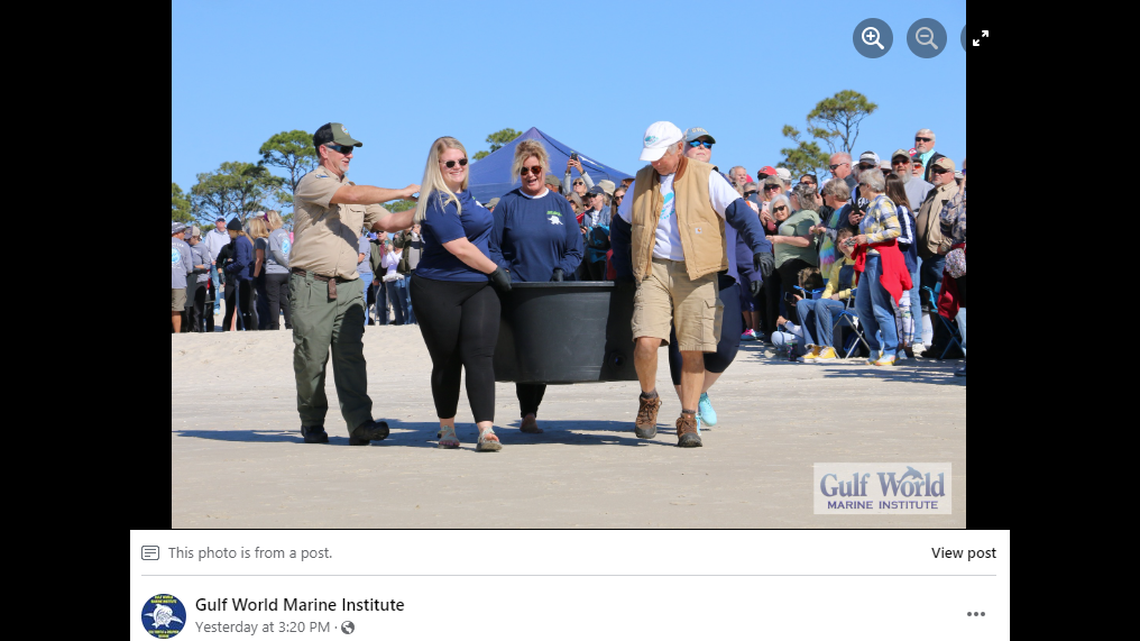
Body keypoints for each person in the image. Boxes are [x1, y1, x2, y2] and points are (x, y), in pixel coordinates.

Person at [618, 121, 769, 448]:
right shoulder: (641, 181)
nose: (656, 161)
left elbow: (742, 215)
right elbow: (620, 225)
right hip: (654, 269)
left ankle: (688, 417)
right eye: (651, 156)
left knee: (692, 349)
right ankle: (649, 399)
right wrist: (623, 271)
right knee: (645, 342)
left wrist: (760, 247)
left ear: (678, 148)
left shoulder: (707, 177)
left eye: (661, 154)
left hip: (697, 271)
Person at [289, 122, 420, 445]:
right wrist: (403, 191)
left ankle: (360, 423)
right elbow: (350, 196)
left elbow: (390, 221)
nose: (349, 154)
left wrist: (426, 206)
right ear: (324, 151)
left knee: (351, 357)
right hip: (311, 285)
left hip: (349, 286)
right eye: (343, 148)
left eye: (351, 149)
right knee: (311, 360)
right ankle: (312, 422)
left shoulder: (357, 190)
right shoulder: (313, 181)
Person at [663, 126, 771, 430]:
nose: (702, 147)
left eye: (707, 144)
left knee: (727, 345)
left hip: (723, 275)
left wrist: (751, 270)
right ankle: (688, 412)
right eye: (695, 143)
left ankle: (699, 392)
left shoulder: (720, 182)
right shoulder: (666, 183)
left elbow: (740, 231)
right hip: (680, 275)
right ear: (681, 148)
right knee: (683, 344)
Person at [411, 136, 511, 452]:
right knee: (447, 360)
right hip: (437, 288)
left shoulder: (468, 197)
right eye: (450, 163)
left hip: (478, 287)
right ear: (437, 166)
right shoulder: (437, 200)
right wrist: (495, 270)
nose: (458, 167)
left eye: (462, 161)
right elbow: (458, 247)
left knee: (480, 356)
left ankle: (486, 430)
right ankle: (447, 427)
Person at [490, 139, 584, 435]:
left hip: (551, 290)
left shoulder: (559, 204)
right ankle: (527, 412)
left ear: (544, 169)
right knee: (524, 351)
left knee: (543, 352)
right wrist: (503, 271)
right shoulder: (508, 204)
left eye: (535, 169)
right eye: (524, 170)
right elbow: (493, 247)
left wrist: (563, 270)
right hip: (517, 291)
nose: (530, 175)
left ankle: (532, 410)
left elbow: (575, 249)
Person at [850, 169, 909, 366]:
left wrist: (869, 238)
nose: (858, 189)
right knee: (861, 306)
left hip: (878, 259)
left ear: (868, 186)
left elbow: (895, 230)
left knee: (880, 306)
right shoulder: (872, 205)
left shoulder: (883, 202)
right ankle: (875, 348)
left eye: (860, 185)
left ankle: (891, 350)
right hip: (869, 259)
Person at [914, 157, 960, 357]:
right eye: (935, 170)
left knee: (945, 301)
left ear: (952, 174)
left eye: (942, 171)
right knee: (933, 302)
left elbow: (958, 223)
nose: (937, 174)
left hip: (942, 257)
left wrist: (946, 245)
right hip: (928, 256)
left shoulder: (955, 192)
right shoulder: (932, 193)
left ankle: (949, 345)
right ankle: (938, 344)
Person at [798, 228, 857, 361]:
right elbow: (830, 287)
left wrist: (840, 295)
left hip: (855, 305)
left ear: (854, 241)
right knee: (803, 303)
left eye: (846, 240)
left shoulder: (861, 260)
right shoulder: (839, 264)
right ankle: (814, 347)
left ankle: (828, 348)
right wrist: (822, 300)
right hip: (839, 304)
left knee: (822, 303)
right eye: (839, 241)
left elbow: (861, 289)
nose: (843, 243)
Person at [768, 183, 821, 320]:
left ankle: (800, 331)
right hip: (790, 267)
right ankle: (795, 329)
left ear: (795, 197)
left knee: (798, 303)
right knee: (791, 304)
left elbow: (807, 241)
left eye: (790, 194)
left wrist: (781, 239)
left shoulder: (806, 214)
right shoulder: (798, 214)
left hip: (799, 264)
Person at [938, 160, 967, 376]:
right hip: (961, 260)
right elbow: (945, 222)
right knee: (963, 308)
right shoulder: (960, 198)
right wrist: (961, 191)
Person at [224, 217, 256, 331]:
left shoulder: (239, 242)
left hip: (243, 276)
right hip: (248, 275)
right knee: (248, 306)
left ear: (233, 231)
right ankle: (251, 328)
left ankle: (247, 328)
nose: (228, 233)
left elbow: (241, 262)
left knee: (243, 307)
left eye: (229, 231)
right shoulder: (245, 240)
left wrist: (229, 268)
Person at [264, 210, 292, 330]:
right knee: (284, 299)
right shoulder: (284, 234)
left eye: (265, 221)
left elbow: (276, 253)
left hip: (274, 271)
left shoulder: (273, 235)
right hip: (285, 273)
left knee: (273, 300)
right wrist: (288, 266)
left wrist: (286, 264)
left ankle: (275, 326)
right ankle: (289, 324)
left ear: (269, 221)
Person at [580, 185, 611, 280]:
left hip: (604, 252)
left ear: (602, 196)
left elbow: (609, 231)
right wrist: (584, 232)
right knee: (594, 280)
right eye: (589, 196)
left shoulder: (609, 212)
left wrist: (593, 231)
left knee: (604, 280)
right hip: (591, 252)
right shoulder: (587, 214)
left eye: (594, 195)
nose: (591, 198)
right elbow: (583, 237)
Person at [172, 222, 194, 332]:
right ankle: (177, 333)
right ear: (177, 233)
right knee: (176, 310)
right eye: (183, 232)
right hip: (178, 281)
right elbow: (189, 268)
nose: (184, 235)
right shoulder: (185, 246)